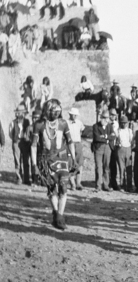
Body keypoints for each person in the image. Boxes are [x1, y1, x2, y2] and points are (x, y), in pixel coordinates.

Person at [30, 99, 76, 230]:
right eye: (53, 110)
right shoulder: (39, 125)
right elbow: (33, 146)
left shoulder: (63, 123)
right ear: (47, 111)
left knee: (63, 187)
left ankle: (60, 217)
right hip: (46, 161)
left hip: (62, 159)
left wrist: (73, 158)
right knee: (51, 189)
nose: (55, 113)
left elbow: (70, 142)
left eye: (57, 110)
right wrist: (34, 165)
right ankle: (56, 213)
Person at [92, 110, 116, 192]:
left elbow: (113, 136)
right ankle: (98, 185)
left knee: (106, 166)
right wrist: (107, 138)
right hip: (98, 148)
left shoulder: (110, 126)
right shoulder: (95, 126)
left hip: (107, 148)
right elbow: (96, 138)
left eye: (107, 118)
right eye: (104, 117)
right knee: (99, 167)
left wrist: (105, 136)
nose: (106, 119)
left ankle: (106, 185)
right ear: (101, 117)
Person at [9, 105, 32, 185]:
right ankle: (19, 178)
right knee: (17, 161)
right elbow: (10, 134)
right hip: (16, 142)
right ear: (17, 114)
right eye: (18, 113)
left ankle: (26, 179)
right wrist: (15, 139)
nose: (20, 114)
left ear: (24, 113)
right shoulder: (13, 122)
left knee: (26, 160)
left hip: (25, 142)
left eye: (21, 113)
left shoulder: (27, 121)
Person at [67, 108, 85, 191]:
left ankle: (78, 183)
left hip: (78, 143)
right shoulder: (66, 123)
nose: (74, 116)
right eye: (72, 114)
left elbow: (81, 131)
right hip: (70, 143)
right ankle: (72, 184)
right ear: (70, 114)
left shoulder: (79, 123)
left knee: (79, 163)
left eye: (75, 115)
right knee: (70, 163)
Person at [115, 115, 133, 192]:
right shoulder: (117, 131)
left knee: (129, 168)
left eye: (125, 123)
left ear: (127, 123)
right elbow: (115, 141)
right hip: (120, 149)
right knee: (121, 168)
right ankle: (122, 185)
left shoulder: (129, 131)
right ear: (120, 123)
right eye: (122, 123)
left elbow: (131, 140)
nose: (124, 124)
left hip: (128, 148)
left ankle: (129, 186)